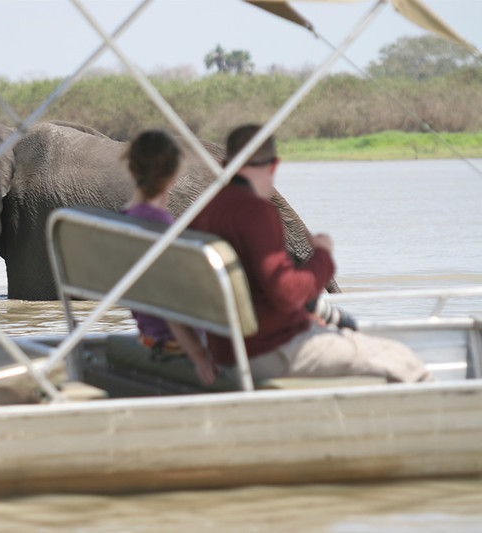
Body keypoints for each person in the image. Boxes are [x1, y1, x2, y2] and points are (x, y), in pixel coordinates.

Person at [189, 124, 432, 383]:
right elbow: (287, 293)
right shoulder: (257, 213)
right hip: (271, 352)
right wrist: (323, 256)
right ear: (274, 165)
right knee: (403, 359)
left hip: (228, 351)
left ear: (224, 164)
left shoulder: (205, 214)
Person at [121, 129, 217, 385]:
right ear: (174, 176)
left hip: (147, 335)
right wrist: (199, 354)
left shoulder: (122, 220)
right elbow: (169, 303)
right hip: (174, 344)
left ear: (131, 171)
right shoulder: (160, 226)